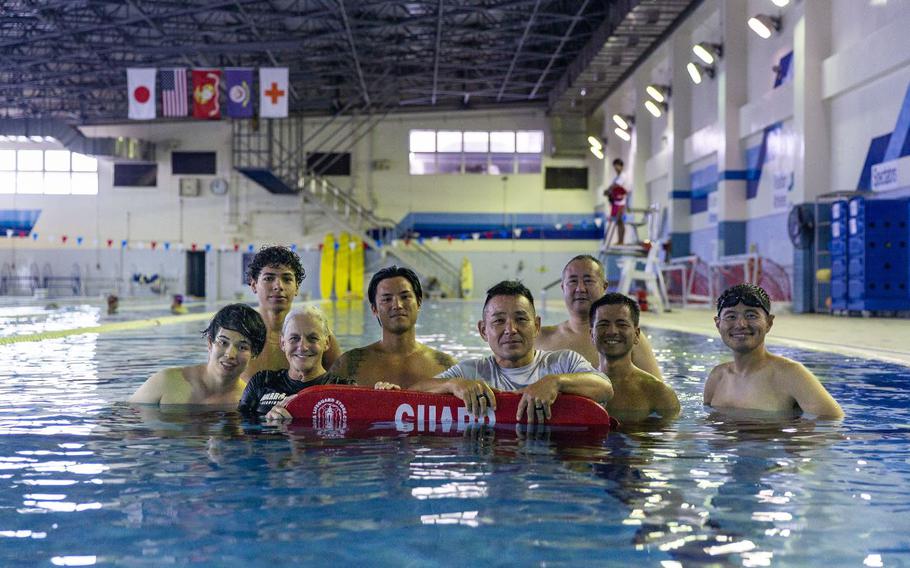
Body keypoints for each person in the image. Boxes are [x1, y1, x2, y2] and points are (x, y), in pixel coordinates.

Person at [412, 281, 613, 424]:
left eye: (521, 319)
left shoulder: (563, 362)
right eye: (499, 321)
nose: (511, 329)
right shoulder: (471, 373)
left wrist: (556, 382)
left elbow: (605, 388)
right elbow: (414, 392)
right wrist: (451, 384)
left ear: (536, 326)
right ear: (483, 330)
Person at [704, 284, 844, 418]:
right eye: (731, 317)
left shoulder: (792, 374)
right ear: (718, 323)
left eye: (751, 315)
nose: (741, 324)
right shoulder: (717, 377)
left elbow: (831, 423)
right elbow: (708, 425)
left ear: (769, 323)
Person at [537, 255, 663, 378]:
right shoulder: (541, 338)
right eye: (573, 281)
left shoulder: (626, 336)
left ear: (604, 287)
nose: (580, 288)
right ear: (563, 288)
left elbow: (657, 391)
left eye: (588, 281)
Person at [330, 265, 456, 388]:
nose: (397, 305)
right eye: (387, 299)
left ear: (419, 303)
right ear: (374, 309)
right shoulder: (350, 366)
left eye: (405, 297)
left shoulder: (445, 366)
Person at [129, 304, 267, 405]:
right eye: (223, 343)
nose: (230, 354)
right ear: (209, 343)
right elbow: (124, 422)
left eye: (242, 347)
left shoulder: (245, 402)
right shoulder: (167, 382)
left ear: (254, 353)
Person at [240, 245, 341, 381]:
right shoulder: (238, 336)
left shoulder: (318, 335)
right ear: (253, 285)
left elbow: (344, 388)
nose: (278, 286)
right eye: (269, 278)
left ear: (297, 287)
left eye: (287, 279)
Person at [239, 306, 356, 421]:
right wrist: (267, 422)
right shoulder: (261, 382)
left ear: (326, 343)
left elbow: (357, 434)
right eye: (294, 338)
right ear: (283, 343)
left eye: (312, 338)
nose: (303, 347)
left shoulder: (345, 389)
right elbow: (239, 429)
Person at [590, 293, 679, 422]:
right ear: (591, 335)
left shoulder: (659, 394)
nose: (612, 331)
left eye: (622, 324)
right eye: (603, 324)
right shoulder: (579, 388)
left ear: (637, 335)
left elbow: (665, 440)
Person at [603, 158, 628, 245]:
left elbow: (616, 186)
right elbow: (613, 187)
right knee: (618, 221)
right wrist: (608, 191)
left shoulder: (623, 176)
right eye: (615, 167)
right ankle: (620, 240)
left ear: (621, 166)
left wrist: (608, 190)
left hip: (621, 202)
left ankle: (621, 240)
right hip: (616, 202)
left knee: (619, 220)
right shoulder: (616, 177)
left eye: (617, 166)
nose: (616, 168)